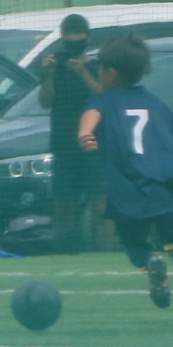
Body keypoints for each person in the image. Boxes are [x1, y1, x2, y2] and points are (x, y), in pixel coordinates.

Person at [76, 35, 173, 330]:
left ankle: (150, 260)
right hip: (165, 191)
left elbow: (92, 114)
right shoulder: (158, 105)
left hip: (128, 192)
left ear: (110, 72)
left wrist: (85, 134)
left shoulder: (104, 100)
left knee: (133, 241)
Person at [41, 13, 103, 253]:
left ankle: (101, 253)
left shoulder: (95, 66)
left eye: (78, 33)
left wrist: (83, 72)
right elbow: (45, 102)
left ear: (87, 36)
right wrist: (48, 74)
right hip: (63, 144)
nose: (73, 38)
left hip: (93, 143)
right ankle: (65, 250)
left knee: (99, 201)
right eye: (68, 33)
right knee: (63, 203)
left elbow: (103, 95)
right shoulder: (55, 66)